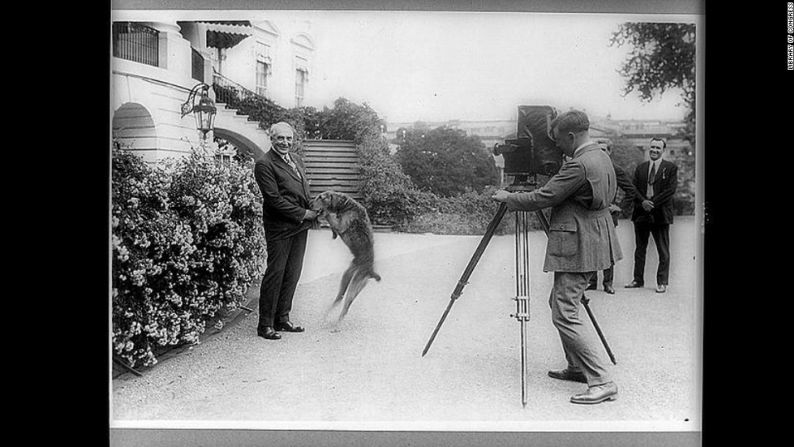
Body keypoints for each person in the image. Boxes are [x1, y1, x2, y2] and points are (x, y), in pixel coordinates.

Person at [492, 110, 621, 405]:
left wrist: (508, 198)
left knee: (564, 311)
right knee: (561, 303)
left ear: (572, 136)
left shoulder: (578, 165)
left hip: (579, 242)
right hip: (593, 239)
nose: (557, 147)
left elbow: (543, 197)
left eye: (559, 140)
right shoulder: (601, 156)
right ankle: (577, 367)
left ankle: (601, 380)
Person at [253, 122, 318, 340]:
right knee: (276, 274)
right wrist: (304, 214)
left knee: (292, 274)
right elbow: (274, 200)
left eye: (288, 138)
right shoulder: (264, 164)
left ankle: (282, 318)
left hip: (300, 227)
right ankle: (265, 325)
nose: (285, 143)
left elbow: (303, 190)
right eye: (280, 138)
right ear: (271, 139)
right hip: (280, 228)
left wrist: (314, 210)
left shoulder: (296, 160)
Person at [625, 137, 678, 294]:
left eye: (658, 148)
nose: (654, 150)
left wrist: (652, 203)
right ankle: (638, 280)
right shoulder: (641, 168)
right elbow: (633, 188)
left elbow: (670, 190)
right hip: (641, 213)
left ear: (663, 150)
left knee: (663, 250)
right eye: (652, 147)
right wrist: (643, 202)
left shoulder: (670, 168)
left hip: (660, 214)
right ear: (649, 149)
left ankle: (662, 282)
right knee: (640, 249)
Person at [586, 141, 637, 294]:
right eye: (598, 150)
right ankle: (592, 282)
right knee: (591, 248)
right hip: (591, 215)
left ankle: (608, 283)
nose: (601, 153)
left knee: (608, 250)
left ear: (610, 151)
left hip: (608, 215)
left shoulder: (616, 170)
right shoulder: (590, 168)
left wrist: (619, 207)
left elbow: (631, 191)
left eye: (603, 150)